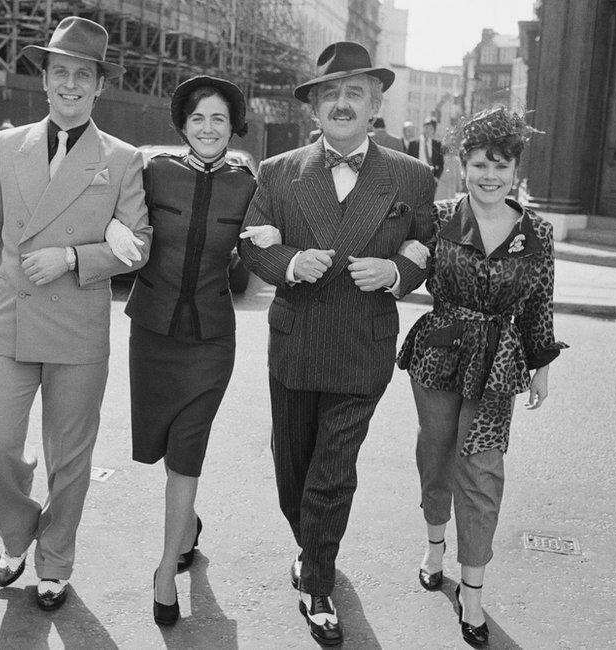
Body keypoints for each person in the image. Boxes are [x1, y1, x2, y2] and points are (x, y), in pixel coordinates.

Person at [238, 41, 436, 646]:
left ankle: (316, 581)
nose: (342, 103)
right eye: (331, 95)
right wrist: (290, 261)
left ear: (376, 104)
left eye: (355, 93)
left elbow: (425, 243)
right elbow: (252, 243)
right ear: (314, 109)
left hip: (362, 349)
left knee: (333, 472)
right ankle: (310, 544)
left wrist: (398, 274)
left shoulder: (412, 175)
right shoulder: (277, 172)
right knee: (291, 472)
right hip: (295, 347)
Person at [0, 16, 152, 612]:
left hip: (77, 326)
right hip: (10, 320)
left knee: (71, 459)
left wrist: (71, 255)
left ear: (99, 87)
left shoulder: (121, 159)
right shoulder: (7, 144)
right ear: (42, 81)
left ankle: (55, 561)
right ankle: (18, 533)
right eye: (60, 72)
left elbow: (138, 244)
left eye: (83, 75)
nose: (71, 84)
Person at [397, 106, 567, 647]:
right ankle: (433, 543)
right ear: (462, 167)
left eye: (500, 165)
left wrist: (540, 364)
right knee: (437, 452)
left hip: (498, 365)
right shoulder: (439, 217)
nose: (489, 176)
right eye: (478, 165)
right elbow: (407, 267)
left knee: (483, 469)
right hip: (439, 355)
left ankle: (472, 590)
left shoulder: (537, 232)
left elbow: (539, 302)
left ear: (515, 170)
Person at [110, 75, 270, 627]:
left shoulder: (249, 185)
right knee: (159, 446)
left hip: (210, 340)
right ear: (182, 124)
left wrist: (267, 246)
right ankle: (188, 524)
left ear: (233, 127)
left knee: (187, 452)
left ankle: (163, 570)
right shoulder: (152, 171)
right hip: (151, 333)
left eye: (219, 119)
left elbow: (251, 272)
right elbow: (120, 222)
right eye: (198, 118)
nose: (208, 128)